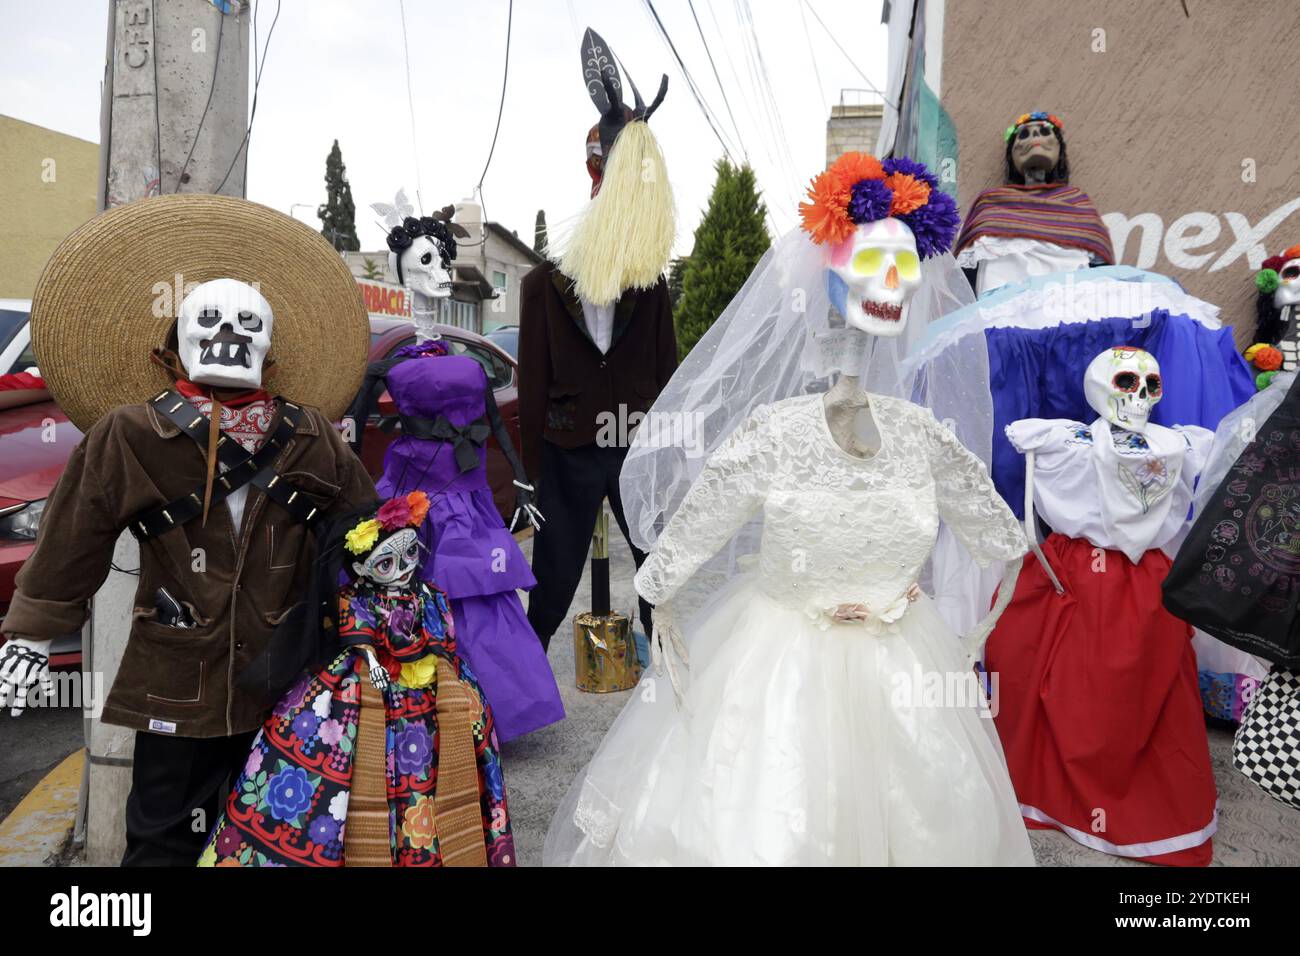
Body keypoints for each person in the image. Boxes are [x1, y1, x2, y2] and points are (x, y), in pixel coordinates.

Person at [544, 153, 1034, 866]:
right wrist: (663, 600)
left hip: (905, 668)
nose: (891, 284)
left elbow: (1003, 539)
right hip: (776, 665)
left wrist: (966, 639)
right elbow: (686, 539)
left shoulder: (923, 437)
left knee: (927, 823)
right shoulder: (777, 433)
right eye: (872, 263)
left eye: (905, 266)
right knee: (765, 819)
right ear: (831, 279)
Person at [0, 194, 376, 865]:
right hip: (177, 675)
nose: (229, 335)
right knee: (161, 839)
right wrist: (30, 632)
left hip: (285, 676)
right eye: (210, 320)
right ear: (174, 343)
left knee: (279, 833)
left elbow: (365, 536)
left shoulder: (312, 436)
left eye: (246, 323)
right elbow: (74, 536)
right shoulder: (130, 434)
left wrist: (384, 617)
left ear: (269, 347)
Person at [985, 346, 1218, 866]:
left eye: (1150, 386)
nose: (1139, 398)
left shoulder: (1175, 443)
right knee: (1051, 671)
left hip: (1130, 577)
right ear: (1097, 386)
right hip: (1079, 573)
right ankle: (1051, 791)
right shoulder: (1062, 439)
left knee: (1135, 685)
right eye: (1126, 383)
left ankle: (1098, 793)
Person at [199, 494, 516, 867]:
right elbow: (359, 638)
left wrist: (438, 663)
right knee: (342, 778)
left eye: (410, 555)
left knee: (431, 781)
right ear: (361, 569)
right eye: (386, 563)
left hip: (433, 694)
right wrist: (375, 661)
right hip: (365, 690)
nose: (402, 569)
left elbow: (443, 636)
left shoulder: (430, 594)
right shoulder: (354, 599)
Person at [517, 27, 677, 649]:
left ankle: (668, 680)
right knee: (552, 576)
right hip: (567, 448)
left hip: (635, 444)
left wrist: (669, 455)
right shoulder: (542, 286)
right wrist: (529, 473)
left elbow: (666, 376)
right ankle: (517, 699)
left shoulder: (650, 282)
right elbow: (531, 383)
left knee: (655, 573)